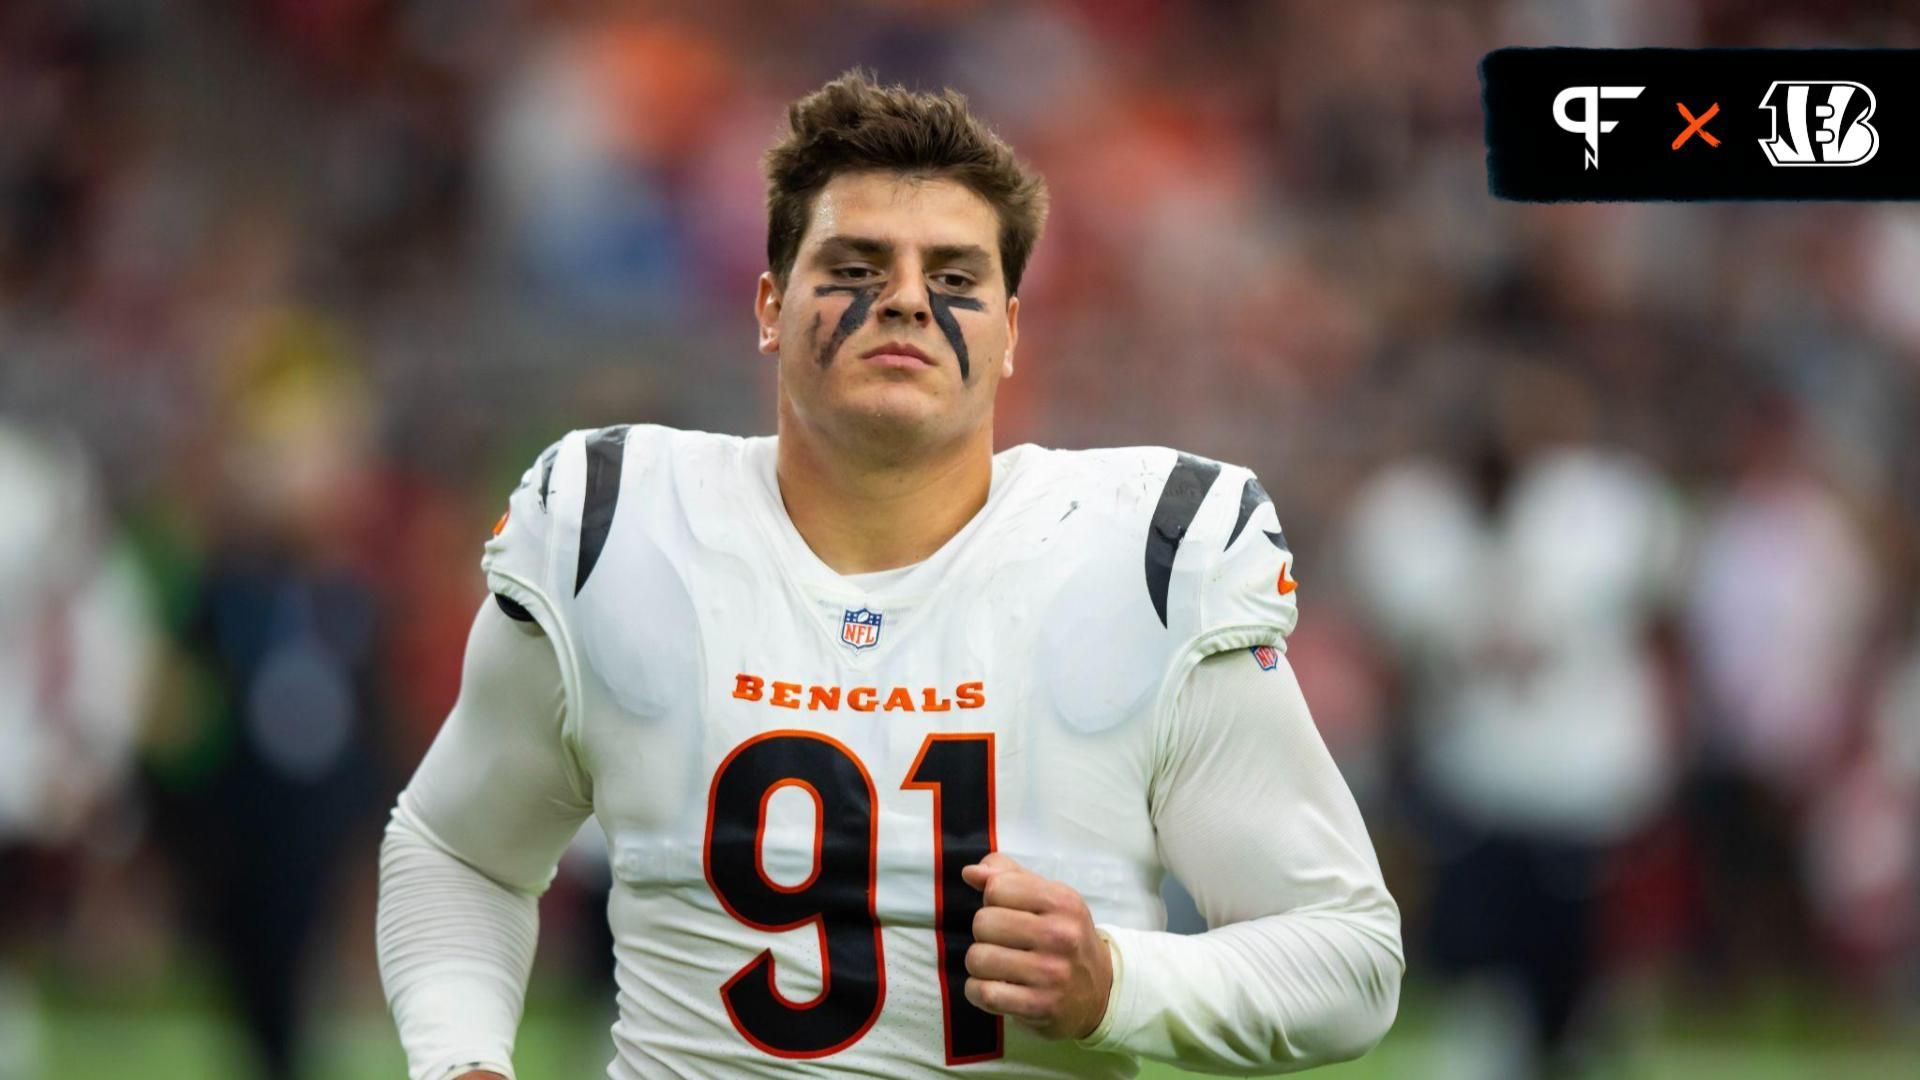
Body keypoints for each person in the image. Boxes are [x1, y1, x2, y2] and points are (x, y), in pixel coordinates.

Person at [376, 70, 1401, 1079]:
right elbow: (459, 849)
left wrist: (1117, 985)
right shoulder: (619, 522)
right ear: (770, 306)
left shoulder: (1144, 555)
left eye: (955, 277)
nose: (907, 299)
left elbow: (1349, 957)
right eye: (858, 265)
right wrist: (461, 1061)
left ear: (1010, 333)